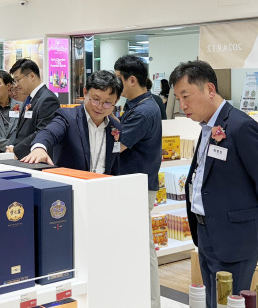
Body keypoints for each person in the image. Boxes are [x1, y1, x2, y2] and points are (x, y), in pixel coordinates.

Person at [171, 60, 258, 308]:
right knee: (214, 302)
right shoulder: (208, 128)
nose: (183, 105)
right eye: (178, 98)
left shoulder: (242, 127)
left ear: (210, 89)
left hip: (237, 237)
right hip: (206, 232)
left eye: (186, 95)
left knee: (231, 303)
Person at [114, 55, 162, 308]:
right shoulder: (139, 104)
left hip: (137, 189)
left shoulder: (143, 111)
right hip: (133, 186)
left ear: (132, 80)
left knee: (144, 249)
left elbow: (117, 146)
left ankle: (151, 302)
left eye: (118, 79)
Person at [21, 70, 122, 175]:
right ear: (85, 92)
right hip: (72, 186)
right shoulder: (68, 117)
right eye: (95, 99)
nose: (100, 107)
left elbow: (114, 165)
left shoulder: (115, 127)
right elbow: (49, 132)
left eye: (107, 103)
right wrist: (39, 148)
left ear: (116, 101)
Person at [8, 59, 60, 159]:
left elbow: (42, 131)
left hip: (36, 158)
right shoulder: (29, 98)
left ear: (32, 76)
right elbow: (19, 128)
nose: (16, 84)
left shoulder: (48, 99)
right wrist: (12, 145)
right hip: (24, 156)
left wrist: (17, 149)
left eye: (18, 80)